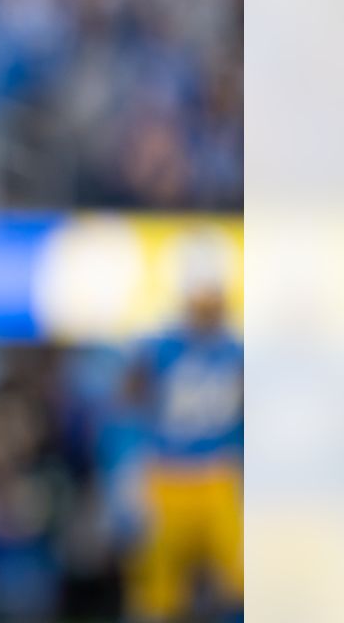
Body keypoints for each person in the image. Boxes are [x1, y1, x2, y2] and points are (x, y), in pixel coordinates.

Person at [121, 253, 243, 622]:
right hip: (168, 475)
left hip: (217, 473)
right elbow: (128, 403)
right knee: (157, 594)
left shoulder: (235, 349)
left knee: (240, 583)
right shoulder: (159, 347)